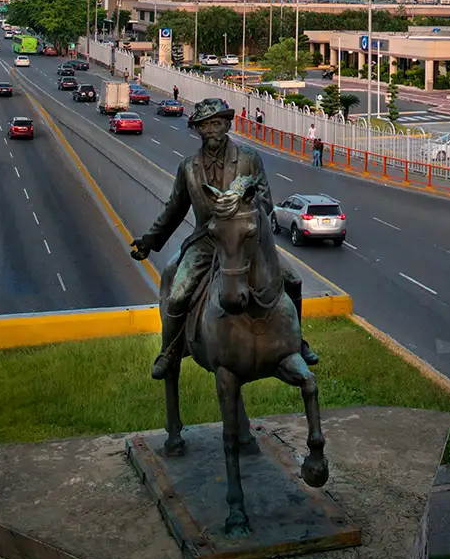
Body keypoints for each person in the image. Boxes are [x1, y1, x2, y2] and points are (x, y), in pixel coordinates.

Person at [129, 98, 317, 380]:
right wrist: (149, 240)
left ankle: (297, 341)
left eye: (216, 123)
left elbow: (265, 202)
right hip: (206, 241)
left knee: (292, 280)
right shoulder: (189, 167)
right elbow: (174, 209)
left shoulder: (249, 159)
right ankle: (170, 350)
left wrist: (243, 213)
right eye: (204, 126)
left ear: (227, 125)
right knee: (178, 294)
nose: (211, 131)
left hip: (245, 241)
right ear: (197, 130)